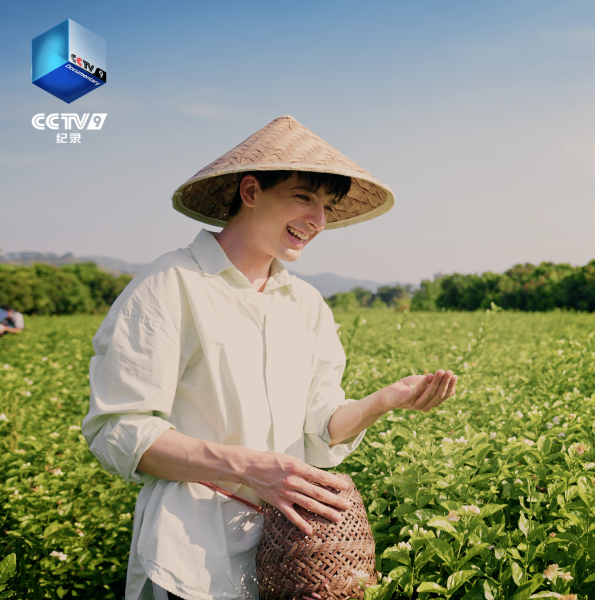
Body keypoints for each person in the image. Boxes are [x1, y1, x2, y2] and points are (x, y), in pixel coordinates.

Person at [83, 115, 458, 600]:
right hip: (191, 555)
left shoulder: (306, 305)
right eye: (304, 197)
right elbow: (117, 430)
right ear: (251, 191)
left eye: (327, 206)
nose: (318, 220)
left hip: (290, 557)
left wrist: (382, 401)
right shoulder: (171, 284)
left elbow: (317, 431)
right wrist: (248, 466)